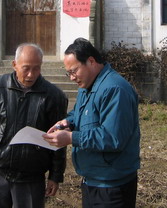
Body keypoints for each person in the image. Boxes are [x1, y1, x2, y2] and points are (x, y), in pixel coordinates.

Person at [0, 43, 68, 208]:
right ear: (14, 65)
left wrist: (55, 175)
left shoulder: (54, 96)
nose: (31, 74)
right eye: (26, 68)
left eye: (37, 68)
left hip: (31, 176)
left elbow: (58, 142)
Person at [43, 38, 141, 208]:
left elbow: (112, 137)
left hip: (112, 186)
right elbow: (80, 113)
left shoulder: (114, 89)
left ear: (91, 61)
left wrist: (72, 138)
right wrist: (68, 122)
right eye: (69, 73)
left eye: (74, 71)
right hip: (92, 179)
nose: (72, 78)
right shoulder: (87, 86)